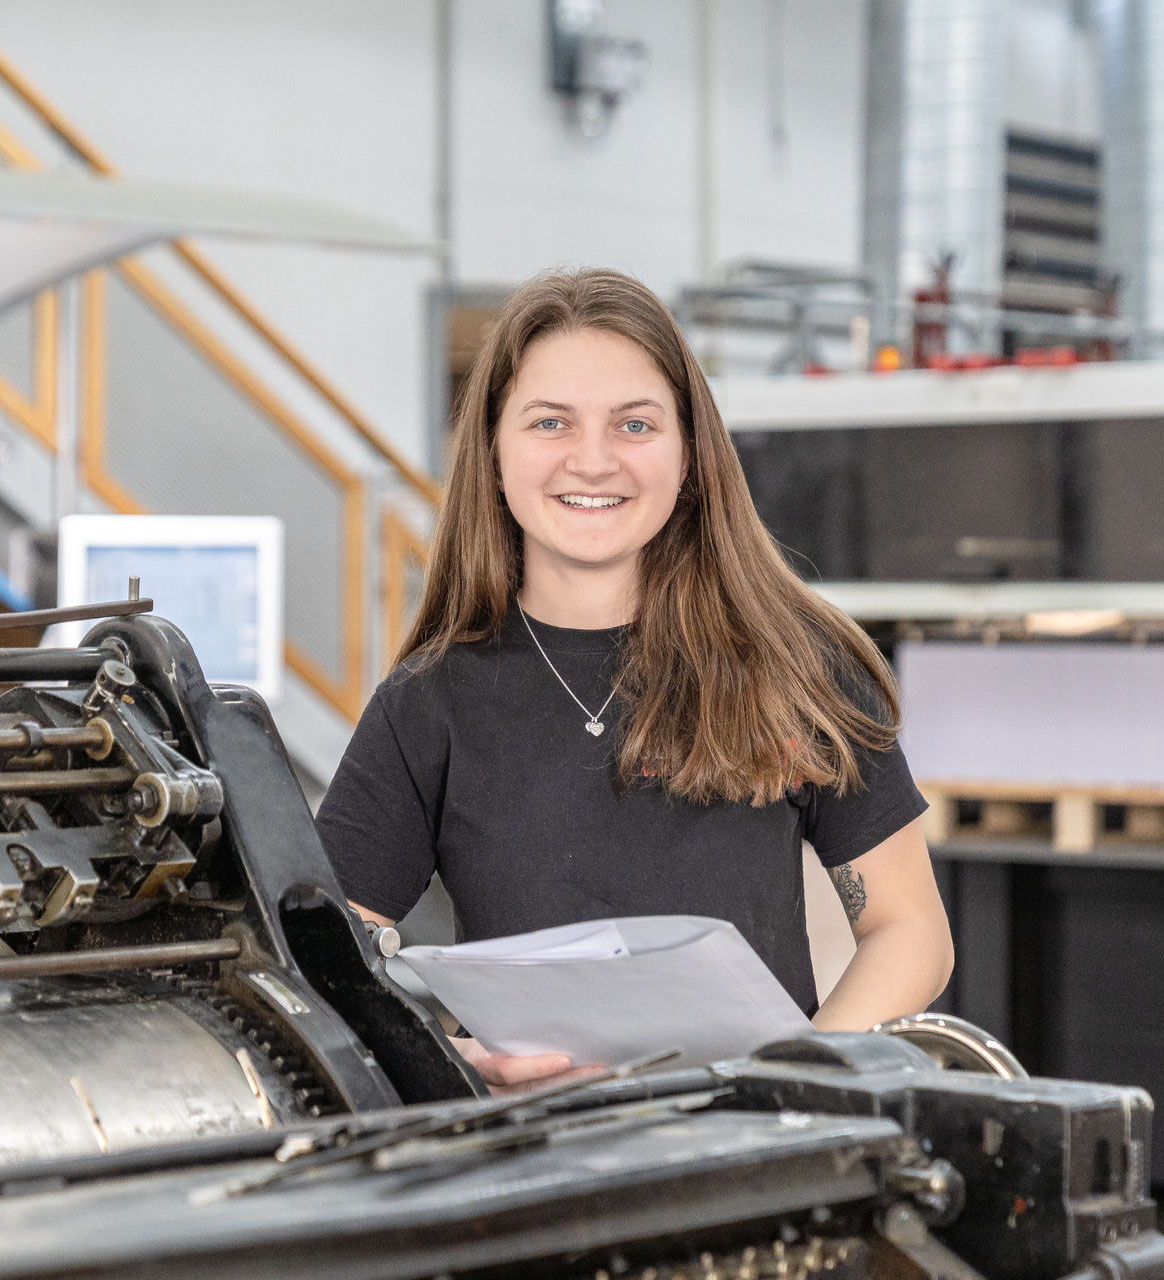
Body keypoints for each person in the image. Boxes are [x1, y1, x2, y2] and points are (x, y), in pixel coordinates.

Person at [316, 268, 953, 1093]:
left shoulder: (795, 666)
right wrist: (451, 1062)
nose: (593, 460)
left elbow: (911, 930)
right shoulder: (426, 704)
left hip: (753, 1151)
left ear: (688, 454)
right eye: (550, 422)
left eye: (635, 424)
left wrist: (798, 1073)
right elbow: (326, 961)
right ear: (494, 454)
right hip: (526, 1156)